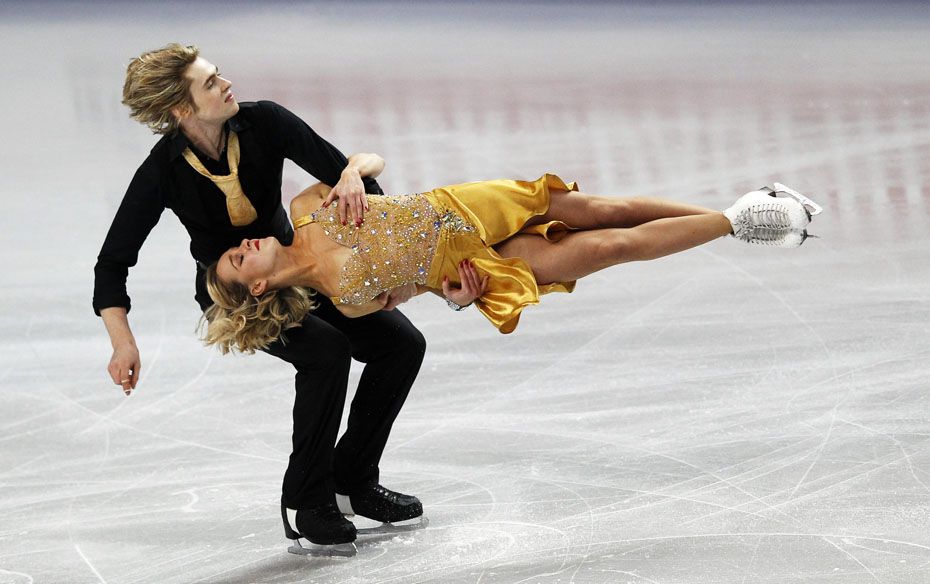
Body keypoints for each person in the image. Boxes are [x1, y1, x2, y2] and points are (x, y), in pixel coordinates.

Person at [93, 43, 431, 558]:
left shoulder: (265, 122)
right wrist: (122, 343)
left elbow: (356, 178)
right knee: (324, 351)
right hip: (233, 291)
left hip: (290, 267)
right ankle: (306, 501)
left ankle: (352, 481)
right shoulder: (163, 169)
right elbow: (112, 265)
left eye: (218, 74)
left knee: (401, 344)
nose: (226, 84)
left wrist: (372, 262)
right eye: (210, 83)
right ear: (181, 110)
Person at [202, 165, 821, 352]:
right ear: (256, 291)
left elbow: (371, 161)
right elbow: (425, 293)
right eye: (238, 261)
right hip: (468, 263)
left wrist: (352, 175)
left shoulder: (310, 203)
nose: (246, 245)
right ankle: (743, 222)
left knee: (602, 212)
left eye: (236, 246)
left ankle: (742, 212)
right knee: (610, 249)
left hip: (465, 208)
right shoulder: (350, 302)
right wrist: (459, 299)